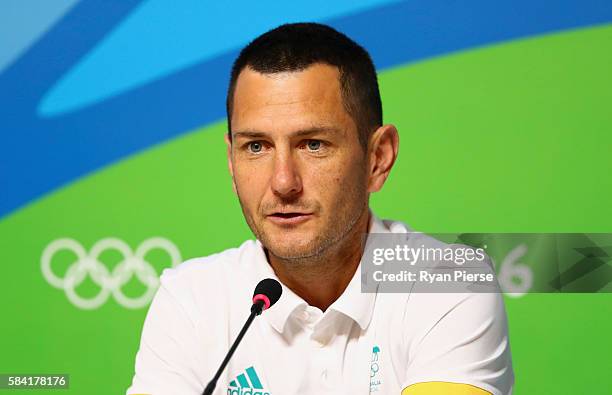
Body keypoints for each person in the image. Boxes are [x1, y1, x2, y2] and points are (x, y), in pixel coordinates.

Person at [127, 22, 513, 395]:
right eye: (257, 147)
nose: (282, 182)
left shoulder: (449, 284)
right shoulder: (191, 300)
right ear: (232, 162)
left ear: (378, 158)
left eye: (313, 144)